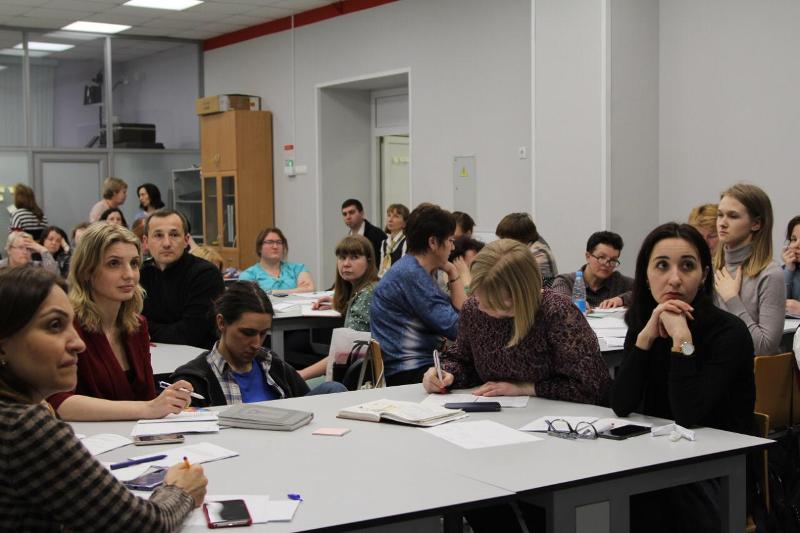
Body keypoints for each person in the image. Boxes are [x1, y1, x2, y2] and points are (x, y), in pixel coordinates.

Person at [0, 267, 207, 531]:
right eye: (54, 326)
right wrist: (180, 490)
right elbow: (145, 525)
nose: (78, 343)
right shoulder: (23, 427)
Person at [611, 222, 755, 532]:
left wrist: (682, 341)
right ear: (646, 275)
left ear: (704, 275)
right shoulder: (644, 325)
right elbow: (621, 404)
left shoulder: (728, 332)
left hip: (715, 469)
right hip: (653, 458)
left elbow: (687, 414)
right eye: (662, 266)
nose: (674, 279)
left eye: (687, 266)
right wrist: (644, 340)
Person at [424, 238, 610, 403]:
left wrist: (527, 389)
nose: (482, 307)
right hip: (494, 417)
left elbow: (593, 386)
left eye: (494, 301)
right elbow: (463, 360)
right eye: (479, 296)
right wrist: (445, 374)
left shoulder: (557, 312)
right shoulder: (474, 309)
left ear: (521, 295)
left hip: (555, 417)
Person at [48, 223, 196, 421]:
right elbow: (58, 402)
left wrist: (167, 400)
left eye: (134, 263)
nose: (129, 274)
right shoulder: (67, 326)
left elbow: (147, 397)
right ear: (86, 271)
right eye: (114, 264)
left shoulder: (137, 326)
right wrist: (147, 408)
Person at [170, 282, 345, 406]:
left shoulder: (272, 364)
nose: (256, 343)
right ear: (222, 323)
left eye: (263, 334)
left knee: (333, 389)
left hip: (287, 443)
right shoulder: (195, 379)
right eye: (247, 333)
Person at [371, 203, 466, 385]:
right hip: (410, 374)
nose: (452, 248)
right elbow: (459, 329)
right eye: (450, 241)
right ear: (433, 243)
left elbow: (462, 315)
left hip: (413, 368)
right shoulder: (412, 275)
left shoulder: (412, 269)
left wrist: (453, 272)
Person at [714, 183, 785, 355]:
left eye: (733, 216)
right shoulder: (710, 268)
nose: (722, 223)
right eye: (720, 215)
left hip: (747, 368)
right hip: (711, 364)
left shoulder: (770, 274)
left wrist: (732, 299)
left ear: (756, 224)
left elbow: (764, 348)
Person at [141, 209, 225, 349]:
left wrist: (143, 330)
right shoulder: (139, 274)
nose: (166, 243)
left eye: (174, 235)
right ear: (146, 242)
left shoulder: (206, 274)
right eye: (158, 235)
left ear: (186, 240)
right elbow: (126, 324)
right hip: (150, 354)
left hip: (197, 357)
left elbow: (189, 334)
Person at [300, 235, 379, 380]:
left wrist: (299, 375)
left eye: (354, 257)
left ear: (369, 261)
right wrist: (339, 303)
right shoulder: (369, 288)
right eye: (342, 258)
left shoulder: (366, 296)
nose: (346, 264)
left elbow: (344, 353)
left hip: (361, 378)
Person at [551, 231, 633, 309]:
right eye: (601, 257)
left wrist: (622, 299)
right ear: (588, 256)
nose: (607, 264)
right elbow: (558, 301)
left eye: (613, 260)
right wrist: (573, 304)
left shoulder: (619, 281)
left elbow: (640, 291)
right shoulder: (565, 281)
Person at [239, 227, 314, 293]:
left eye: (279, 242)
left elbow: (309, 289)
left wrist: (271, 292)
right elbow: (251, 298)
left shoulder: (297, 269)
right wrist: (297, 290)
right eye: (270, 242)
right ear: (259, 248)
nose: (275, 246)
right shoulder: (248, 275)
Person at [496, 212, 558, 285]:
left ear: (519, 237)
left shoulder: (538, 254)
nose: (502, 243)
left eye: (504, 238)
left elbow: (515, 284)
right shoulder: (532, 243)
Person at [378, 203, 409, 277]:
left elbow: (404, 269)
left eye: (396, 216)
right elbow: (381, 269)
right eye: (389, 215)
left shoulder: (406, 241)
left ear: (404, 223)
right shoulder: (384, 242)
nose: (390, 219)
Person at [783, 215, 800, 315]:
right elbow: (776, 304)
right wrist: (789, 269)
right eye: (793, 239)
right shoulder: (786, 270)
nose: (796, 245)